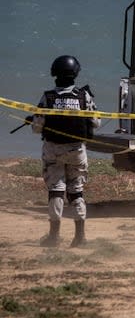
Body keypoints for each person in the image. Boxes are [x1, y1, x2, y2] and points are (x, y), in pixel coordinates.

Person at [32, 55, 100, 248]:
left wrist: (32, 120)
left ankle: (53, 237)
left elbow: (37, 127)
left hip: (53, 150)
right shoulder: (83, 96)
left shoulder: (48, 97)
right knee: (76, 192)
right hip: (77, 150)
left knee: (56, 191)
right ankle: (80, 238)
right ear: (76, 74)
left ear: (55, 74)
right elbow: (96, 122)